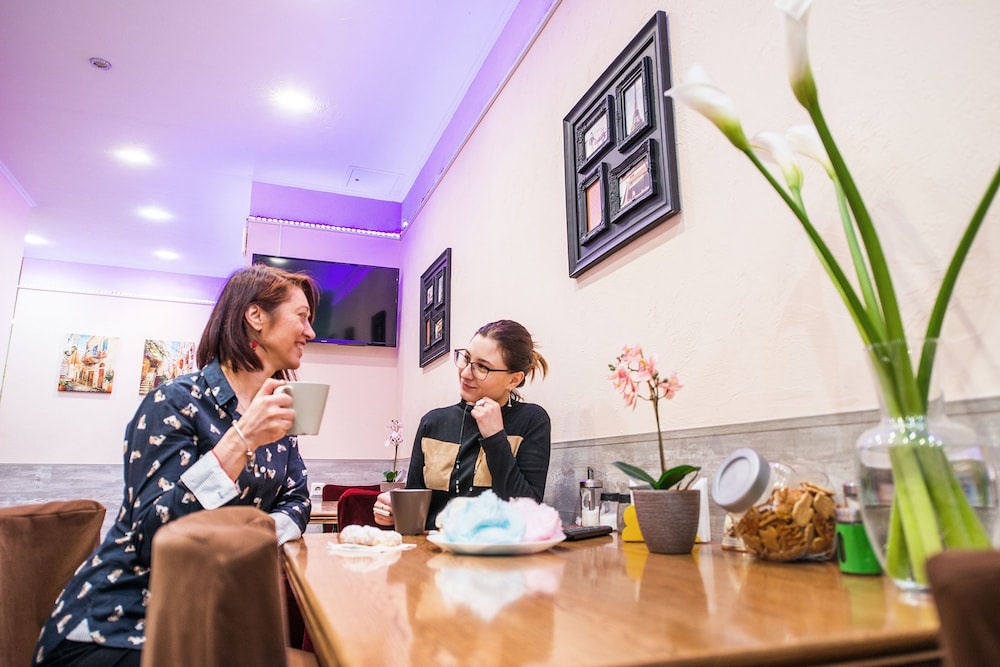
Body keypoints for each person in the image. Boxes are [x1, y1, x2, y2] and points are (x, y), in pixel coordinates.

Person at [34, 264, 318, 666]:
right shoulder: (173, 402)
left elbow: (298, 499)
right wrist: (241, 440)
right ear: (256, 316)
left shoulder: (276, 414)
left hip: (207, 620)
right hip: (119, 625)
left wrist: (253, 540)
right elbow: (155, 535)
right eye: (302, 316)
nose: (310, 332)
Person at [374, 319, 550, 530]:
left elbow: (528, 510)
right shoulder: (433, 423)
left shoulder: (531, 420)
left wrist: (495, 437)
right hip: (434, 547)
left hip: (499, 547)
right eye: (466, 359)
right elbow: (415, 506)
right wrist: (393, 512)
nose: (466, 373)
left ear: (513, 380)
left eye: (482, 367)